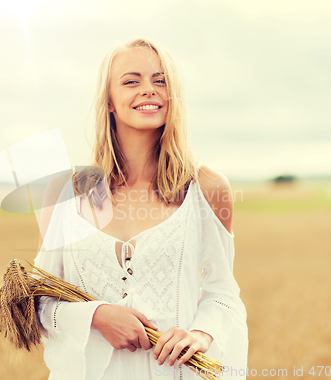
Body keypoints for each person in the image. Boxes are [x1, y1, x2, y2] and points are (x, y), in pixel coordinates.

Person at [33, 37, 248, 380]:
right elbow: (37, 301)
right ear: (109, 102)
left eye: (160, 81)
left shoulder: (206, 188)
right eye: (132, 81)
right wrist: (97, 316)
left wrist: (200, 334)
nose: (148, 90)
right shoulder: (65, 193)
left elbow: (223, 293)